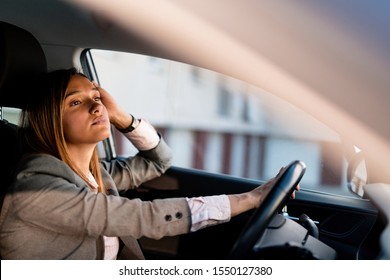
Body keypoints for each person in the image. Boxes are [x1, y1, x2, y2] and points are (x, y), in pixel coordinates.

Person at [0, 68, 298, 260]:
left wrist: (121, 118)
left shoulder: (95, 174)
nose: (96, 106)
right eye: (76, 102)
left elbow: (160, 160)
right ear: (50, 119)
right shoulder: (37, 186)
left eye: (97, 97)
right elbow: (143, 217)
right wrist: (249, 199)